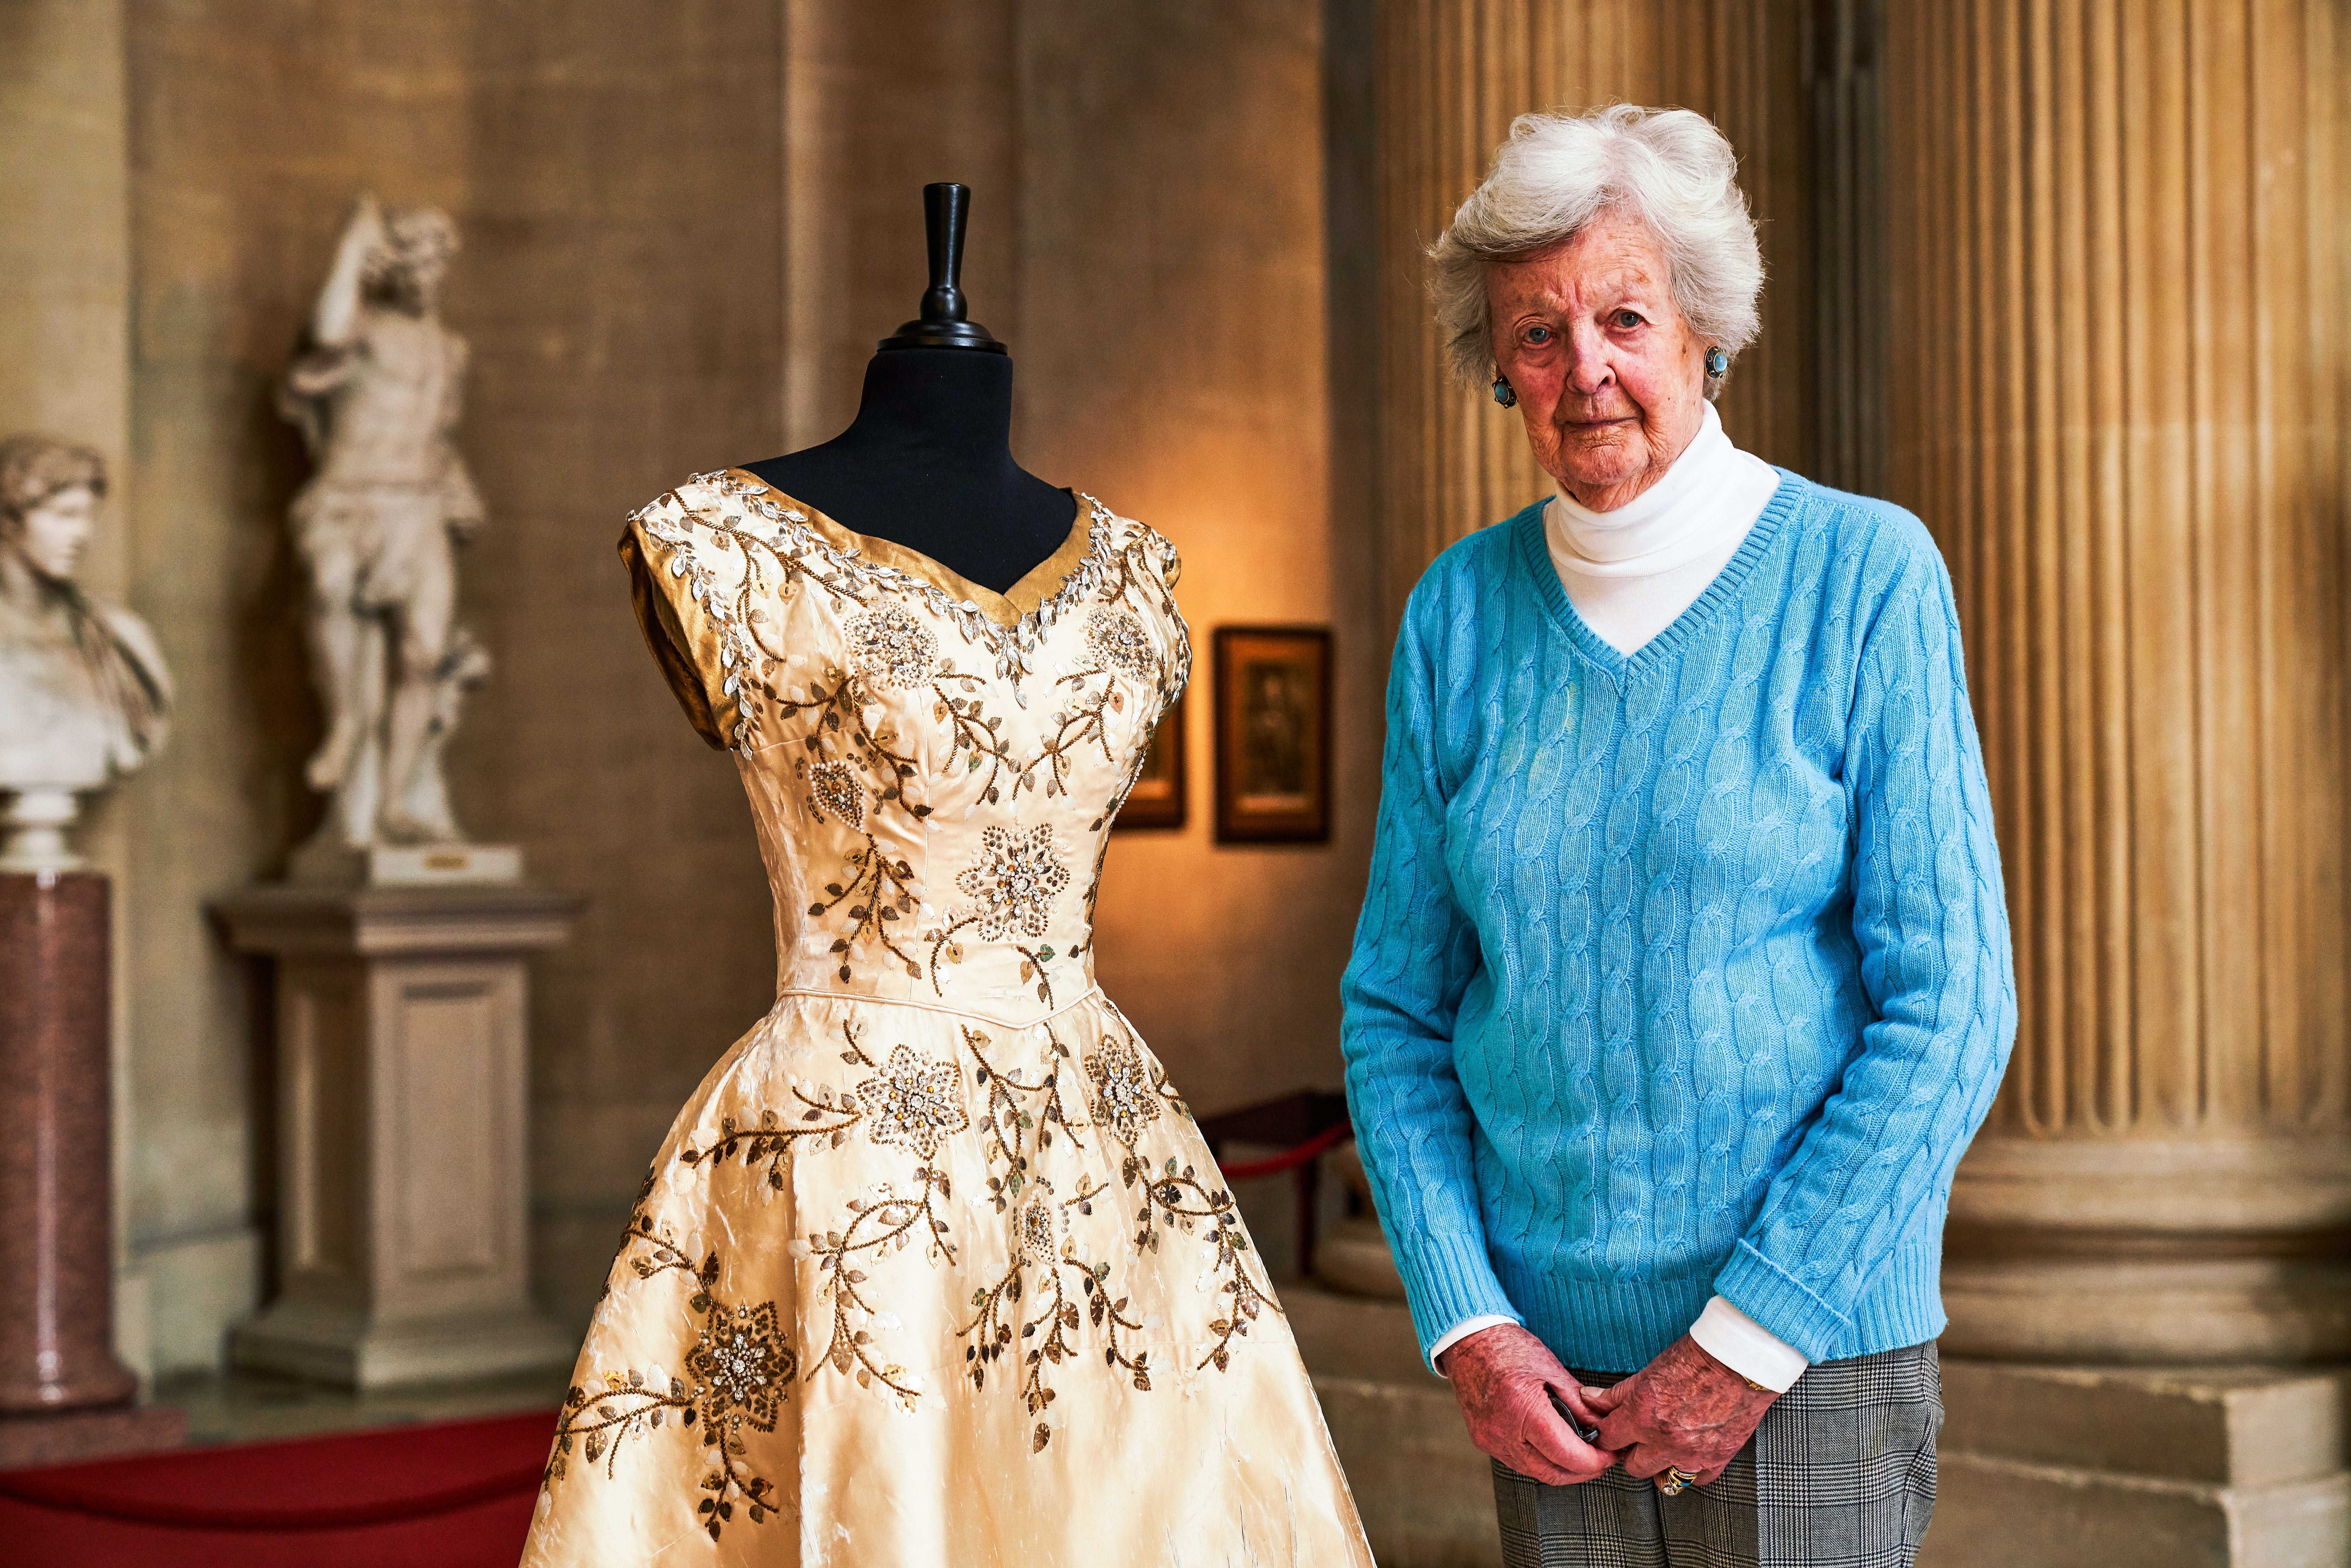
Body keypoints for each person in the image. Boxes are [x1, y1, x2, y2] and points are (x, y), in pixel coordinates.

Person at [1340, 104, 2016, 1567]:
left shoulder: (1862, 575)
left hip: (1811, 1359)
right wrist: (1469, 1324)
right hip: (1545, 1385)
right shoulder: (1455, 617)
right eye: (1536, 333)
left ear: (1704, 331)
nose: (1584, 369)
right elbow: (1397, 1017)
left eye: (1625, 317)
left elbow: (1954, 1006)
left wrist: (1750, 1335)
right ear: (1499, 368)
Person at [279, 193, 487, 852]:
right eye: (415, 264)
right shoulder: (360, 329)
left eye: (437, 265)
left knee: (424, 652)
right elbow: (327, 333)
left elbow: (437, 431)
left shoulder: (451, 350)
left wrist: (457, 485)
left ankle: (396, 802)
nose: (428, 278)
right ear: (389, 269)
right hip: (349, 497)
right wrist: (352, 242)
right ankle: (344, 723)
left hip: (417, 505)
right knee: (326, 590)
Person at [0, 436, 170, 804]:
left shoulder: (120, 637)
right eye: (65, 516)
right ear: (10, 519)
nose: (82, 534)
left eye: (88, 517)